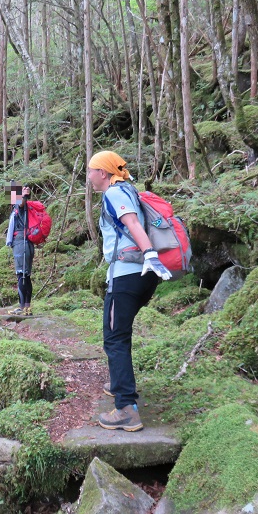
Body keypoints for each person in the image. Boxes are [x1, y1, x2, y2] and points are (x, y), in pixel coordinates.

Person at [87, 151, 172, 431]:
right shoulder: (128, 189)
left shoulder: (115, 193)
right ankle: (118, 382)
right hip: (139, 275)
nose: (88, 177)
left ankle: (126, 408)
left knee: (114, 337)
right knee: (119, 333)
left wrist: (149, 253)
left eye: (91, 171)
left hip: (129, 274)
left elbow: (133, 222)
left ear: (103, 172)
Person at [5, 182, 34, 316]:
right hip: (26, 243)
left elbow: (21, 203)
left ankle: (23, 308)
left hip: (21, 243)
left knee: (21, 275)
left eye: (11, 194)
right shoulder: (16, 209)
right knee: (26, 275)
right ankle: (26, 308)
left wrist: (24, 196)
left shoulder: (20, 206)